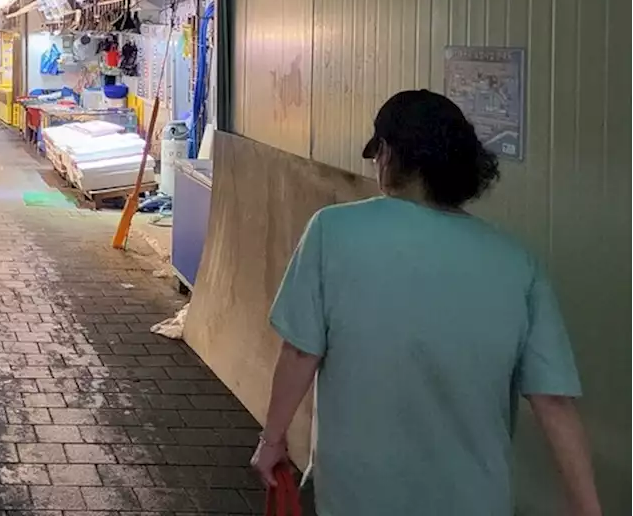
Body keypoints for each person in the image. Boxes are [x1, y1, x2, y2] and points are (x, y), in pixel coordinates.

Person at [253, 89, 601, 516]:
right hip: (475, 499)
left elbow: (301, 352)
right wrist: (588, 507)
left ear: (387, 153)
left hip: (358, 493)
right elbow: (554, 401)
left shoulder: (333, 231)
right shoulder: (516, 263)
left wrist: (272, 441)